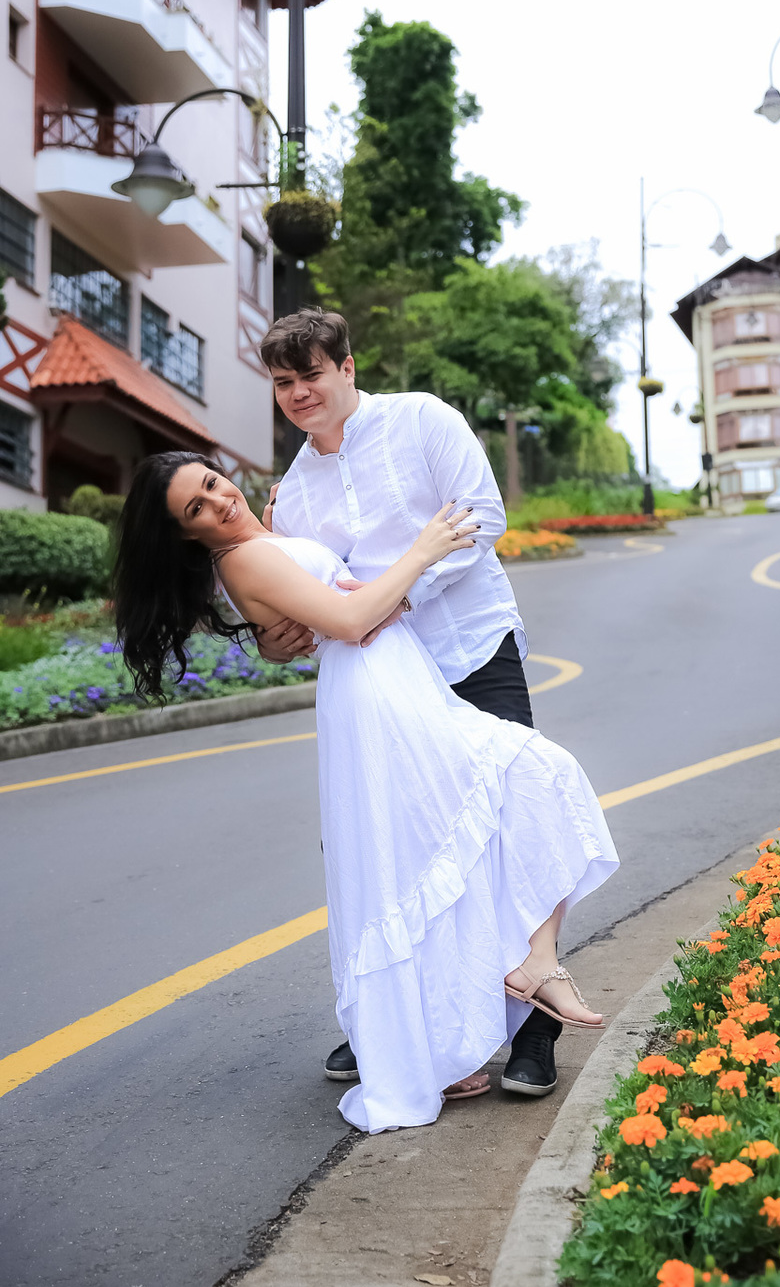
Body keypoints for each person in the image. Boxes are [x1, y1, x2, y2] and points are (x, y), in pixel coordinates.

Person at [112, 453, 618, 1134]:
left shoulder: (259, 540)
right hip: (377, 690)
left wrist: (283, 555)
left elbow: (310, 610)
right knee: (532, 778)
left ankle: (500, 991)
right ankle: (502, 988)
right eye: (195, 508)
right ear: (183, 533)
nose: (219, 501)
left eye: (211, 482)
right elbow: (350, 621)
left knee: (434, 846)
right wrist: (424, 551)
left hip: (393, 680)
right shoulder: (243, 559)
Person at [255, 307, 574, 1098]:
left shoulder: (422, 421)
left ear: (347, 367)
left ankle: (535, 1028)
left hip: (471, 647)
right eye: (284, 383)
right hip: (383, 686)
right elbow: (307, 604)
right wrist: (279, 635)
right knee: (399, 848)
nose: (298, 393)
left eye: (311, 375)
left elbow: (483, 517)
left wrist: (401, 596)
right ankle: (396, 1021)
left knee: (514, 820)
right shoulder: (292, 497)